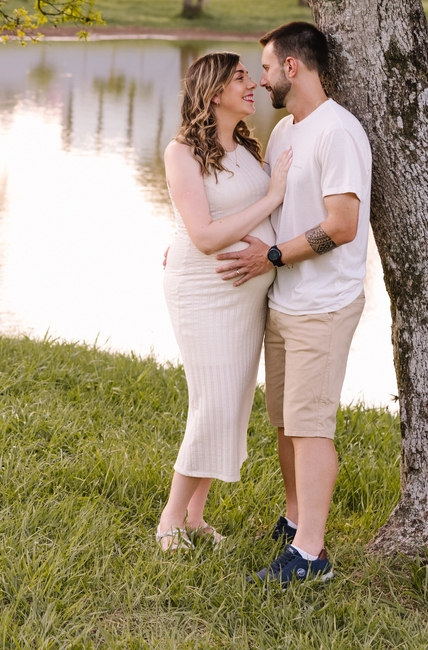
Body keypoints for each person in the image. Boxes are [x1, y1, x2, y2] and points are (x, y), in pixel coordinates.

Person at [215, 21, 372, 585]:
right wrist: (191, 247)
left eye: (265, 67)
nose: (260, 79)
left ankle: (312, 555)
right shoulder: (284, 133)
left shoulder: (338, 133)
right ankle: (295, 517)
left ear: (292, 67)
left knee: (310, 428)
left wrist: (275, 257)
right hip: (284, 302)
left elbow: (344, 225)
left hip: (323, 305)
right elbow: (255, 206)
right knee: (285, 423)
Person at [155, 51, 292, 551]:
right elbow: (206, 236)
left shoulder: (245, 147)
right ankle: (170, 521)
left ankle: (195, 517)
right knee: (212, 402)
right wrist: (273, 196)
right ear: (214, 92)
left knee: (231, 403)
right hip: (204, 292)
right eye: (240, 78)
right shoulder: (182, 152)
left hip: (245, 298)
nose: (252, 83)